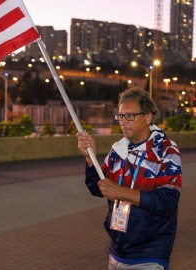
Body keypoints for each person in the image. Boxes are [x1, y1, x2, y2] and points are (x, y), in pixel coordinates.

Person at [77, 87, 182, 270]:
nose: (123, 122)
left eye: (130, 116)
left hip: (149, 254)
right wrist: (89, 158)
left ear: (148, 117)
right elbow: (97, 188)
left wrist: (121, 192)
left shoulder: (166, 151)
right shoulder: (118, 151)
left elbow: (167, 201)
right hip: (117, 250)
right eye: (120, 116)